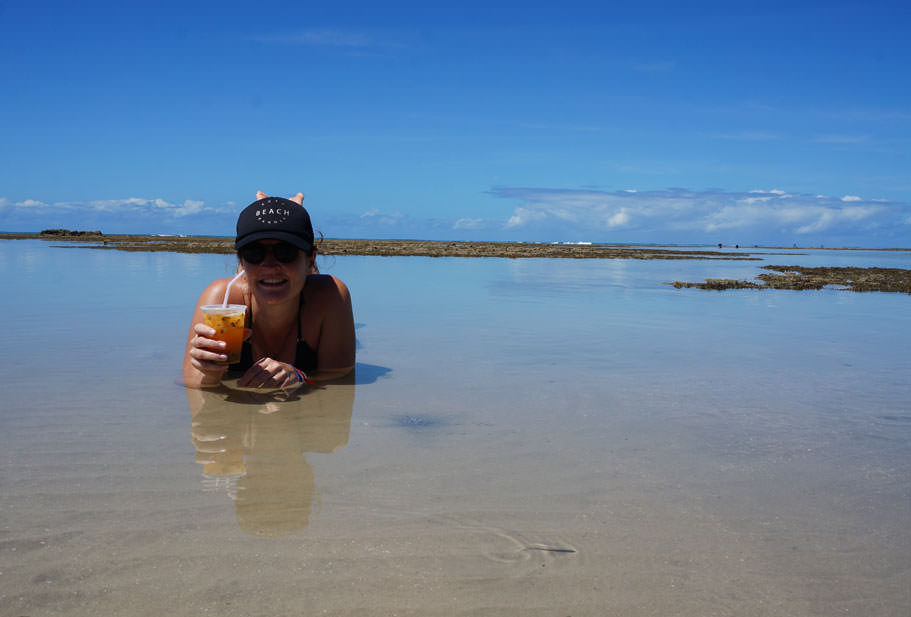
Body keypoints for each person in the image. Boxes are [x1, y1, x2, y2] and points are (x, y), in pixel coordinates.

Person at [183, 191, 355, 389]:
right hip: (256, 280)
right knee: (271, 277)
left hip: (304, 282)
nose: (269, 264)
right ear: (241, 260)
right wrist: (209, 373)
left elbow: (341, 375)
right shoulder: (222, 299)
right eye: (254, 252)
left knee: (280, 278)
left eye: (286, 251)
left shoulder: (330, 296)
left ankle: (283, 213)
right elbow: (188, 382)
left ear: (311, 259)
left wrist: (299, 375)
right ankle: (281, 216)